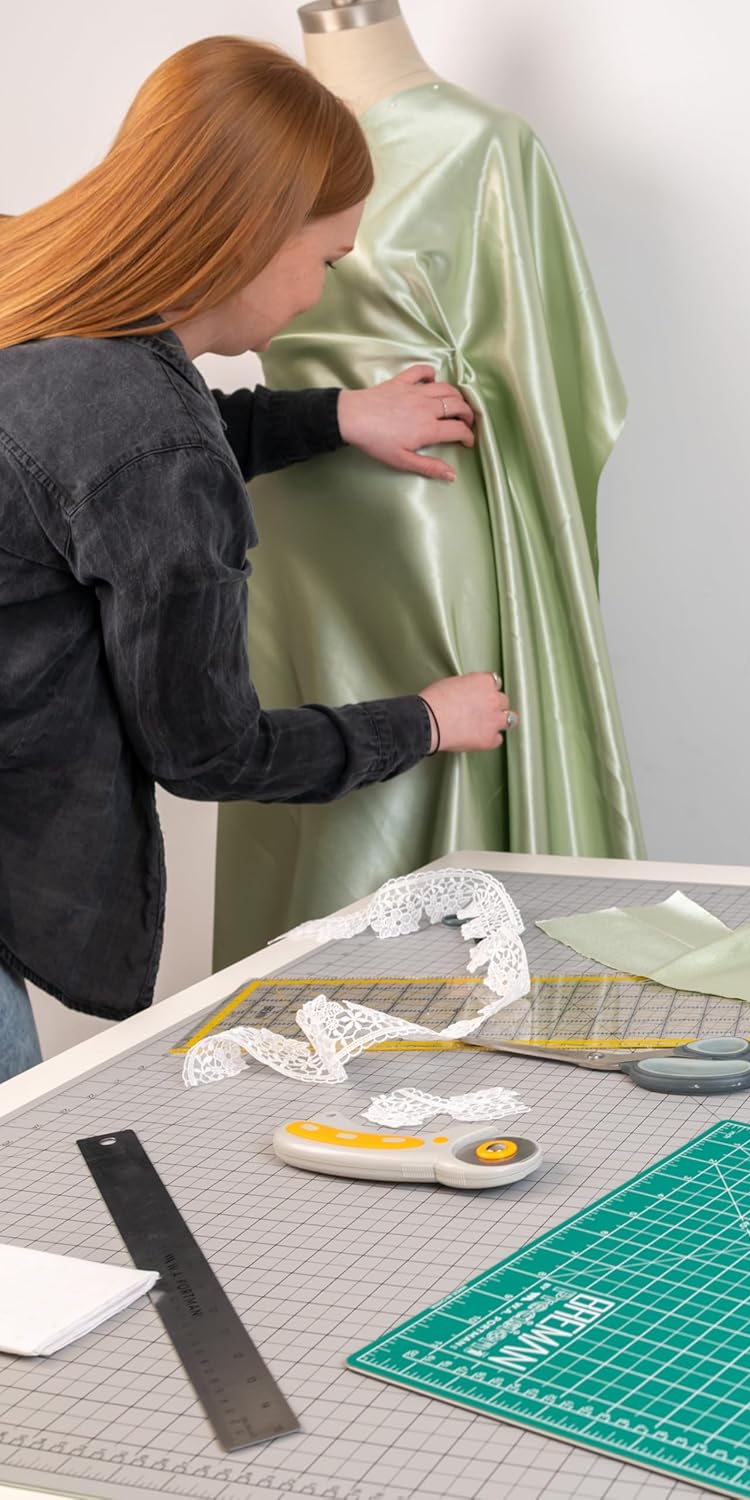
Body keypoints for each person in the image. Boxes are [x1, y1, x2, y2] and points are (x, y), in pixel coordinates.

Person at [0, 37, 516, 1082]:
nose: (323, 296)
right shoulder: (151, 447)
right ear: (244, 235)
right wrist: (425, 719)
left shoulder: (35, 289)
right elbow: (209, 753)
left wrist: (335, 415)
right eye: (326, 259)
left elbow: (91, 468)